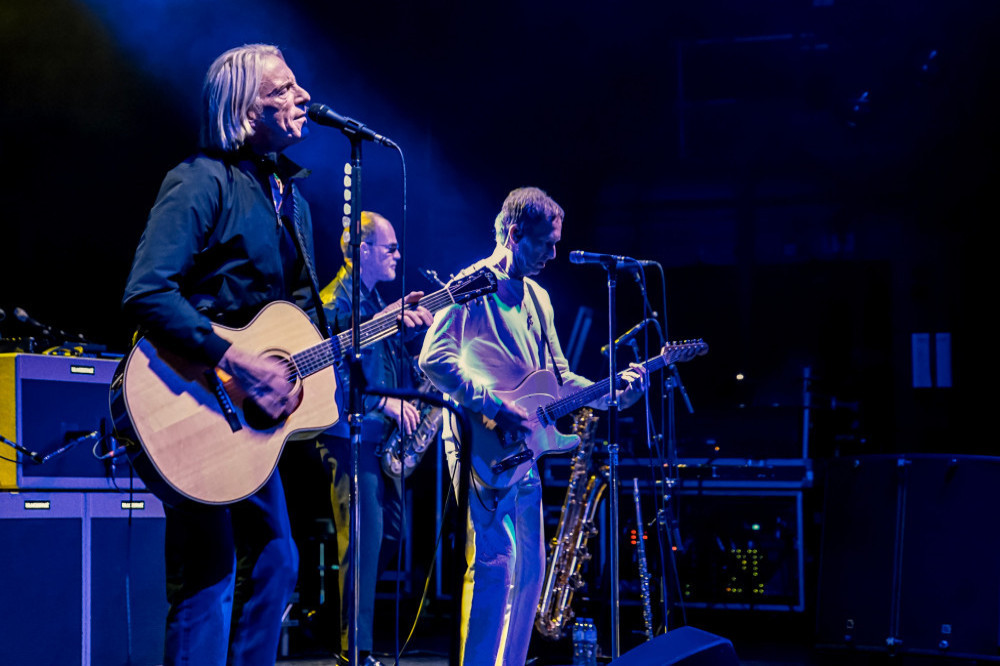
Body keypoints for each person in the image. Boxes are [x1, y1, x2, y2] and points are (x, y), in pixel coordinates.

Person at [121, 44, 324, 665]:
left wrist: (379, 325)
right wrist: (235, 360)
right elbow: (147, 291)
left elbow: (297, 323)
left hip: (240, 423)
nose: (303, 97)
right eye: (282, 90)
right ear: (243, 110)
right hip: (183, 395)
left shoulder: (293, 203)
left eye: (297, 87)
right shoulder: (199, 180)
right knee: (210, 572)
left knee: (279, 560)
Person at [418, 186, 649, 664]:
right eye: (546, 243)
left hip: (525, 447)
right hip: (481, 438)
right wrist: (495, 407)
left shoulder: (539, 298)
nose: (553, 254)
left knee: (530, 572)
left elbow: (560, 378)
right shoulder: (472, 285)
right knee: (493, 565)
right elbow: (432, 358)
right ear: (515, 233)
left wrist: (612, 392)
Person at [316, 211, 432, 663]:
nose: (398, 256)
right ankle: (354, 650)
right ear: (361, 251)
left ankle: (331, 622)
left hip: (381, 443)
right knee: (365, 541)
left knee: (389, 538)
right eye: (391, 249)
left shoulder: (373, 304)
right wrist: (385, 404)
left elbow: (384, 366)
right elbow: (328, 372)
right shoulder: (335, 303)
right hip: (349, 437)